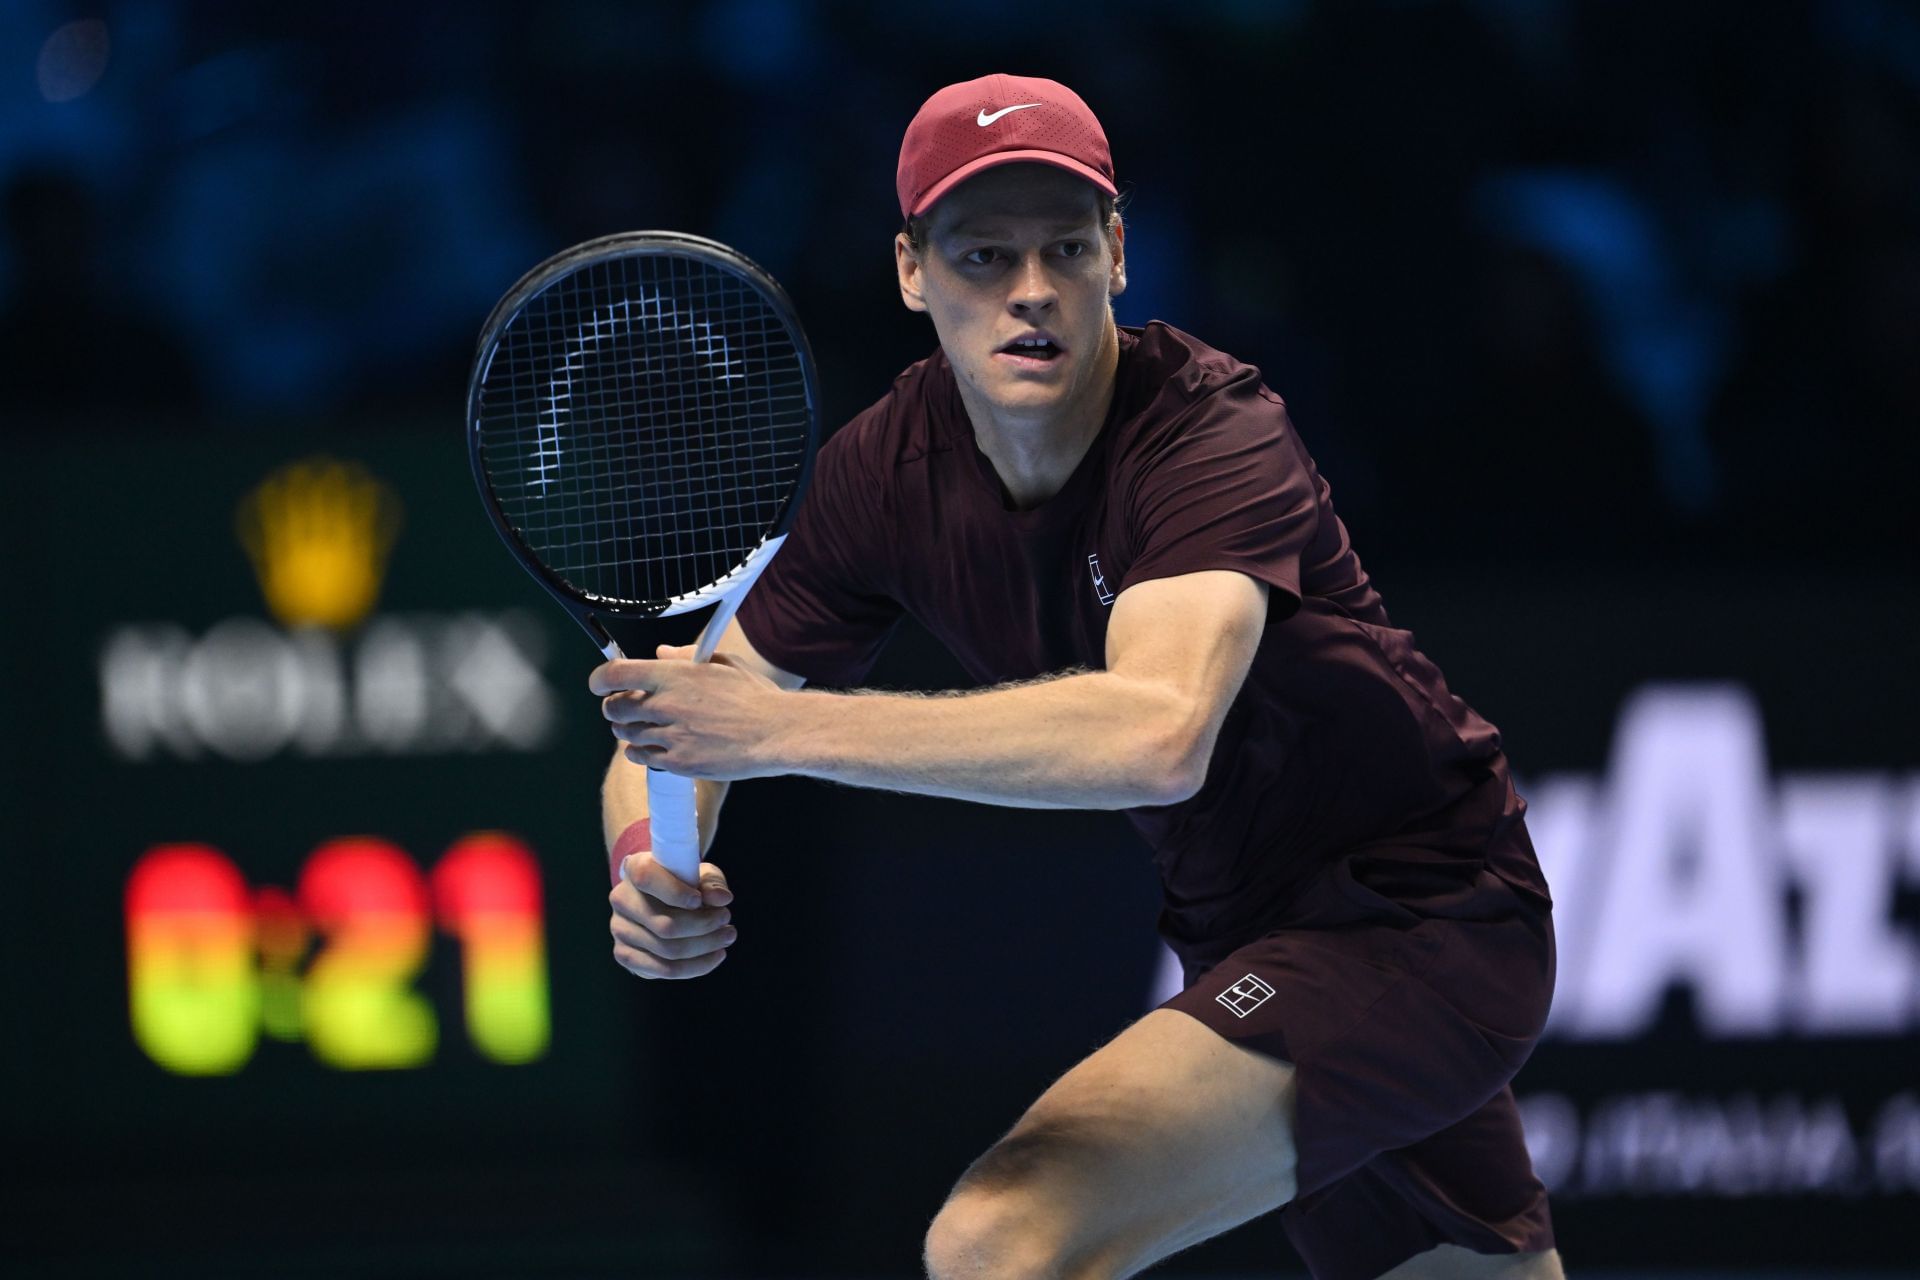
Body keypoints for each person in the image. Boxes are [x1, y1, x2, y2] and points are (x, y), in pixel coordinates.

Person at [591, 74, 1564, 1280]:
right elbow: (680, 720)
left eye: (1063, 247)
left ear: (1117, 251)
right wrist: (648, 861)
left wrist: (783, 733)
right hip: (1249, 939)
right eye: (983, 256)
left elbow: (1157, 733)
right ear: (912, 271)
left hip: (1413, 917)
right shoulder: (885, 471)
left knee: (1003, 1234)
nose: (1031, 290)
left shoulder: (1209, 432)